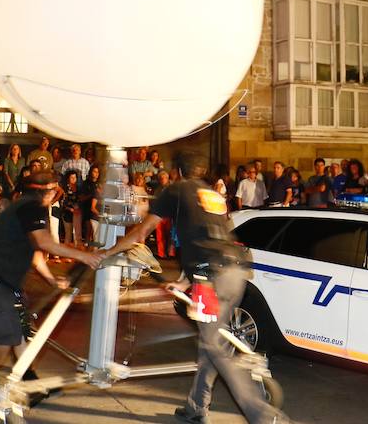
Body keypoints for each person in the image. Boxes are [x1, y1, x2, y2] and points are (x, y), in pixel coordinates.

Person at [103, 152, 287, 424]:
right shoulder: (212, 195)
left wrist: (109, 252)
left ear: (177, 170)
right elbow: (209, 237)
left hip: (210, 278)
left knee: (215, 346)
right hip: (235, 273)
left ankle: (263, 416)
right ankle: (196, 408)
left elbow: (141, 233)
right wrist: (182, 281)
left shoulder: (175, 190)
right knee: (209, 344)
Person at [0, 171, 102, 401]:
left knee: (20, 331)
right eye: (54, 191)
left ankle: (29, 382)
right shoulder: (33, 208)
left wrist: (52, 280)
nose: (55, 195)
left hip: (4, 279)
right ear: (47, 192)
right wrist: (84, 256)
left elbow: (36, 254)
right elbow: (44, 242)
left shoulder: (27, 206)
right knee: (8, 334)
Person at [60, 171, 82, 247]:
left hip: (77, 212)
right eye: (71, 177)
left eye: (75, 177)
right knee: (68, 234)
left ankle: (77, 252)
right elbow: (63, 203)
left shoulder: (79, 189)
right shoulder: (65, 189)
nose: (73, 179)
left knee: (77, 233)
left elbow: (80, 200)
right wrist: (71, 209)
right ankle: (66, 253)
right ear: (68, 179)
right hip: (67, 213)